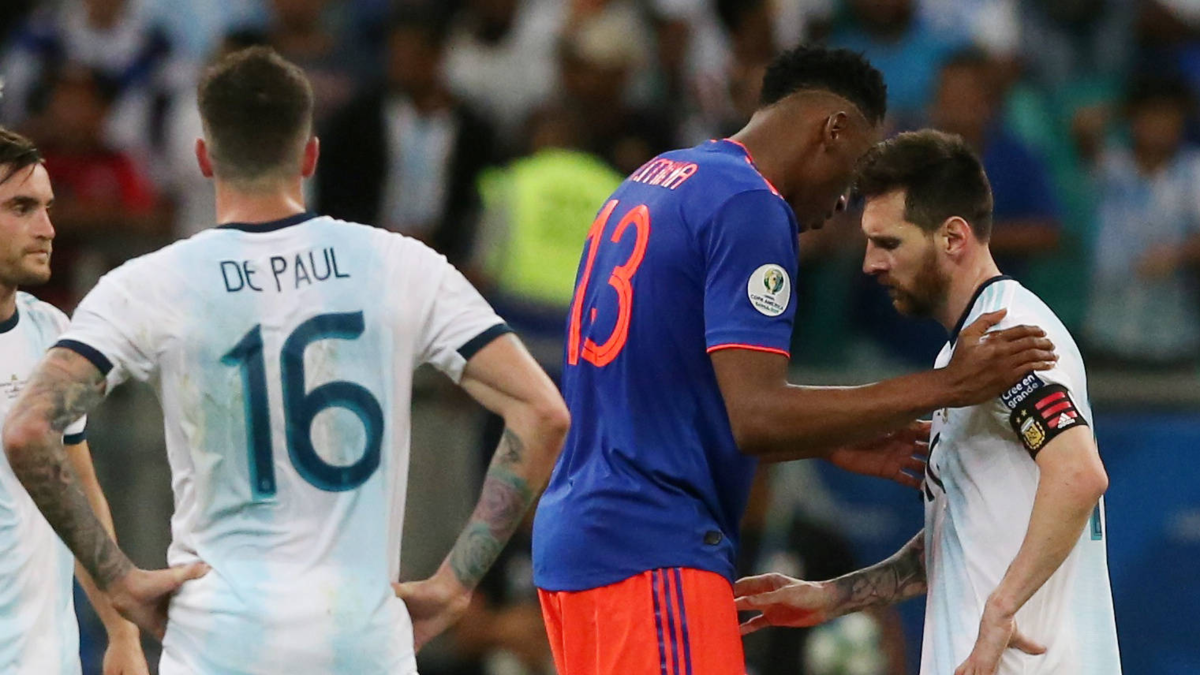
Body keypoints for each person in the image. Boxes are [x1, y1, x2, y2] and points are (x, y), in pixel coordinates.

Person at [1, 47, 569, 674]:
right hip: (361, 642)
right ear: (310, 155)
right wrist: (456, 582)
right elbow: (543, 412)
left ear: (204, 158)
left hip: (219, 642)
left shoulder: (148, 285)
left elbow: (28, 430)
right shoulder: (402, 265)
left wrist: (119, 580)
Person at [531, 46, 1058, 675]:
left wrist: (826, 437)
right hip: (652, 548)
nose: (844, 205)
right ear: (833, 128)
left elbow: (669, 395)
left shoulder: (659, 176)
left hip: (578, 547)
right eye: (856, 174)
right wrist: (949, 383)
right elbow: (757, 416)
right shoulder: (751, 206)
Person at [735, 130, 1120, 675]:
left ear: (954, 237)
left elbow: (1079, 474)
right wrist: (833, 597)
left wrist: (1002, 608)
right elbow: (964, 536)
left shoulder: (1006, 337)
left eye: (889, 243)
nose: (870, 264)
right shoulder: (963, 359)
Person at [0, 126, 146, 673]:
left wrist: (122, 631)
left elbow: (77, 490)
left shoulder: (52, 335)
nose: (47, 229)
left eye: (47, 208)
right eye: (21, 207)